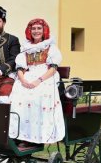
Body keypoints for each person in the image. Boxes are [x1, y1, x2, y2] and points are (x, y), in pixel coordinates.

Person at [8, 18, 65, 146]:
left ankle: (37, 136)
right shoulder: (26, 48)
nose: (36, 31)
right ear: (30, 31)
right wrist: (22, 81)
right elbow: (20, 68)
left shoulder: (50, 47)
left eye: (39, 28)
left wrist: (38, 81)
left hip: (45, 76)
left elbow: (53, 68)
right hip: (27, 76)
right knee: (16, 95)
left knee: (38, 95)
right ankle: (18, 134)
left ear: (44, 30)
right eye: (33, 29)